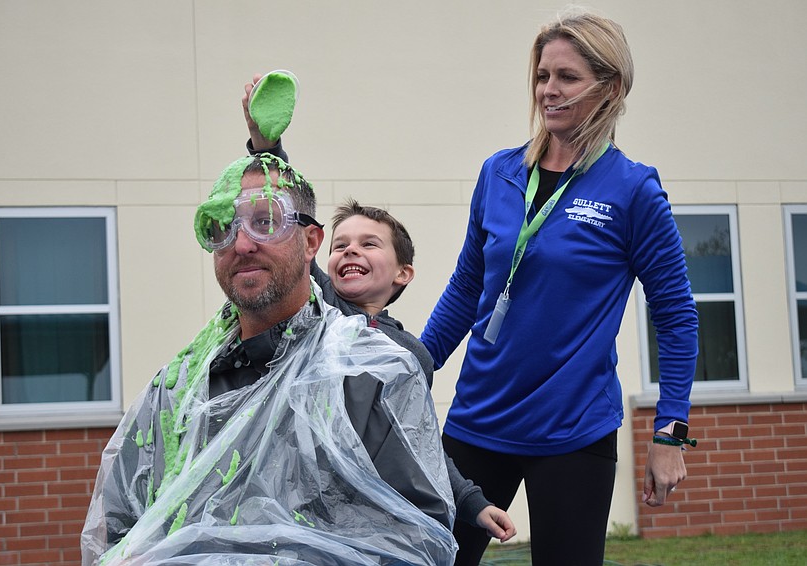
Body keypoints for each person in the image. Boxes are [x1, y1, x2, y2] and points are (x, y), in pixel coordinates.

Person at [418, 10, 699, 566]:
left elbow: (676, 315)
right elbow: (466, 288)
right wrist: (412, 370)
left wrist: (669, 433)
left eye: (567, 77)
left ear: (610, 88)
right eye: (543, 75)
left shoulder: (633, 189)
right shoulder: (498, 173)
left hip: (574, 432)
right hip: (479, 418)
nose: (548, 89)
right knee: (429, 558)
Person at [81, 153, 458, 565]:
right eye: (223, 227)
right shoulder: (176, 392)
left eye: (265, 222)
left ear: (311, 241)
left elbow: (420, 538)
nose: (241, 244)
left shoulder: (372, 374)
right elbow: (117, 532)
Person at [240, 78, 517, 544]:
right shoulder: (319, 308)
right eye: (340, 244)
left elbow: (420, 445)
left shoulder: (409, 355)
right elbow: (286, 223)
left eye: (369, 244)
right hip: (300, 504)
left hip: (377, 521)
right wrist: (268, 146)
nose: (351, 251)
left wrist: (474, 504)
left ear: (403, 273)